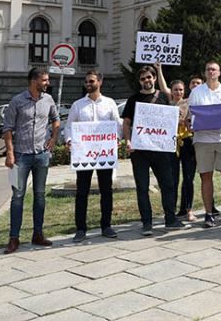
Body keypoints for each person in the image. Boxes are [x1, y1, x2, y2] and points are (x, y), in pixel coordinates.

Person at [2, 67, 60, 253]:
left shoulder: (48, 99)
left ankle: (38, 234)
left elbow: (56, 120)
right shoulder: (17, 101)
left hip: (41, 155)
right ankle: (14, 238)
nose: (47, 83)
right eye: (44, 80)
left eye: (47, 80)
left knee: (40, 195)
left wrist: (53, 138)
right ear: (34, 81)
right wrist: (9, 153)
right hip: (20, 156)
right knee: (17, 197)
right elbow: (7, 129)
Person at [122, 65, 182, 235]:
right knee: (142, 187)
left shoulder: (163, 97)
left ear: (154, 78)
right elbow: (126, 122)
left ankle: (170, 219)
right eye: (143, 78)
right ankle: (146, 223)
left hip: (160, 149)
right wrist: (128, 141)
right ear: (139, 81)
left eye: (149, 77)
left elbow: (171, 117)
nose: (146, 80)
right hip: (139, 150)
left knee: (168, 184)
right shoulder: (133, 99)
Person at [65, 70, 121, 242]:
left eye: (91, 81)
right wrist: (69, 140)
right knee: (82, 191)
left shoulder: (110, 103)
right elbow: (69, 126)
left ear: (100, 82)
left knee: (106, 190)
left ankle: (106, 226)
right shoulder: (78, 105)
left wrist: (117, 138)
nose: (88, 84)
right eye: (86, 82)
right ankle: (80, 229)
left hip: (104, 154)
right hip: (84, 155)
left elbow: (117, 124)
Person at [188, 61, 221, 228]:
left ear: (219, 73)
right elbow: (190, 116)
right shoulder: (196, 92)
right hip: (202, 140)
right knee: (206, 176)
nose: (211, 72)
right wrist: (190, 125)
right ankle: (209, 214)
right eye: (208, 69)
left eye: (214, 69)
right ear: (205, 73)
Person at [175, 78, 198, 222]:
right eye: (175, 90)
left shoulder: (191, 102)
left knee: (189, 177)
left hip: (189, 142)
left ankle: (188, 209)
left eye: (180, 90)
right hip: (172, 144)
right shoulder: (168, 104)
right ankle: (175, 210)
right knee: (173, 179)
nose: (178, 92)